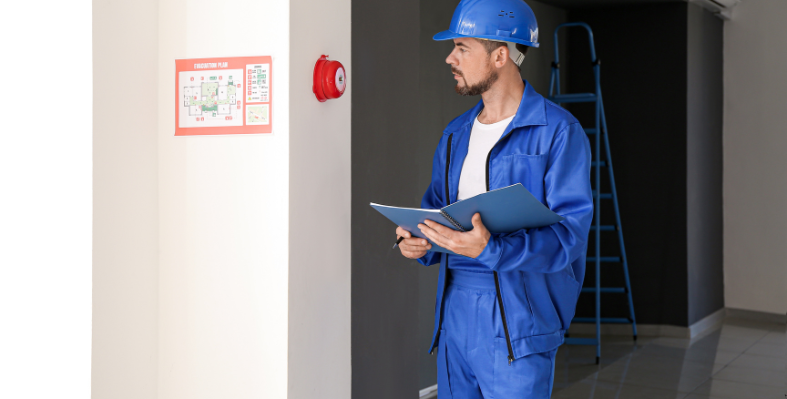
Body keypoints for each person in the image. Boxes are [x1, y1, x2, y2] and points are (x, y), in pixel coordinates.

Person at [394, 0, 594, 397]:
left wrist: (492, 249)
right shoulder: (455, 135)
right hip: (455, 314)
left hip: (519, 318)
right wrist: (420, 242)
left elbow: (569, 236)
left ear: (500, 55)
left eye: (462, 47)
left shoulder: (558, 132)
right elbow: (438, 212)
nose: (450, 57)